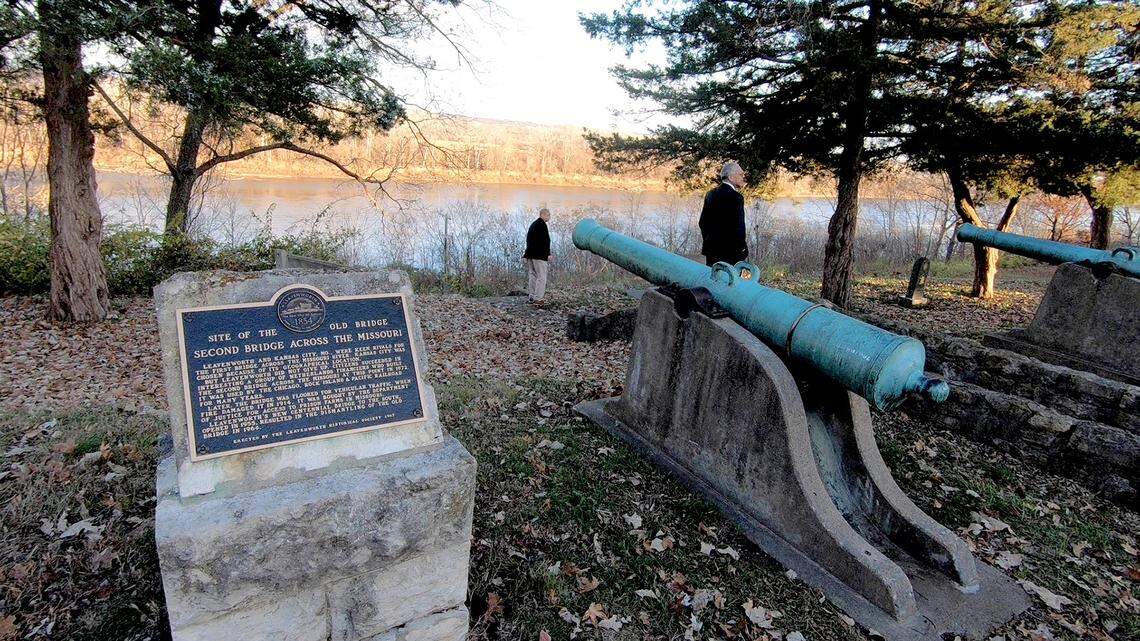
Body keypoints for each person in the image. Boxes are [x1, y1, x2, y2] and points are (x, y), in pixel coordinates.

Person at [699, 161, 749, 266]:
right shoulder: (736, 197)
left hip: (712, 250)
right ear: (731, 177)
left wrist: (709, 241)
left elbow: (703, 222)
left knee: (714, 280)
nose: (743, 177)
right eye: (740, 174)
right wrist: (743, 249)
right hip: (731, 252)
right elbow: (739, 227)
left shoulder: (710, 194)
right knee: (731, 280)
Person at [523, 207, 552, 305]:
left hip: (530, 255)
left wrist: (526, 255)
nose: (549, 217)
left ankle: (531, 296)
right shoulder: (542, 225)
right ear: (542, 215)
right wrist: (548, 254)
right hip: (539, 256)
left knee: (532, 275)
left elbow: (529, 240)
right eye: (548, 215)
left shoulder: (533, 224)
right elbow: (545, 241)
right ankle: (538, 298)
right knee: (542, 277)